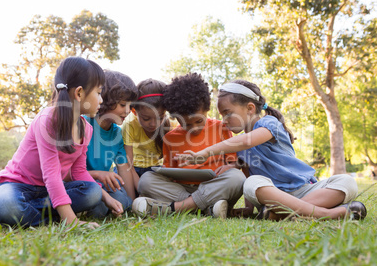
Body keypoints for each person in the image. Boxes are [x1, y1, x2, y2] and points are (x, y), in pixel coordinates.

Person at [176, 79, 367, 220]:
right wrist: (248, 208)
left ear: (250, 108)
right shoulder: (241, 147)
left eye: (227, 113)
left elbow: (246, 141)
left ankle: (286, 214)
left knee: (346, 181)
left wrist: (206, 152)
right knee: (251, 183)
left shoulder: (269, 123)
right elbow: (249, 173)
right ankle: (325, 213)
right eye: (221, 115)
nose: (224, 120)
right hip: (273, 195)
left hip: (306, 190)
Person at [0, 57, 123, 228]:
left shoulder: (85, 129)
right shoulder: (47, 119)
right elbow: (51, 174)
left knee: (92, 192)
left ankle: (26, 216)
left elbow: (79, 172)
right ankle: (50, 216)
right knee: (7, 205)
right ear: (79, 93)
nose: (101, 99)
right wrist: (72, 221)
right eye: (98, 92)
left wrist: (106, 197)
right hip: (17, 187)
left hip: (49, 192)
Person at [132, 73, 246, 219]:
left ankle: (176, 208)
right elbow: (169, 172)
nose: (193, 128)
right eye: (186, 124)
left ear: (207, 109)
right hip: (184, 189)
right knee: (146, 180)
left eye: (199, 121)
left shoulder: (221, 128)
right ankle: (208, 208)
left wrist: (230, 167)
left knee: (236, 177)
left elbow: (233, 163)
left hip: (214, 185)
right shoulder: (170, 138)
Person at [83, 70, 138, 218]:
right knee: (94, 197)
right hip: (82, 182)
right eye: (122, 105)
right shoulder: (83, 123)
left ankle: (104, 207)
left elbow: (124, 168)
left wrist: (131, 204)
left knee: (122, 200)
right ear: (106, 99)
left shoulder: (116, 134)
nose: (127, 111)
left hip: (104, 186)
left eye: (130, 105)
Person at [121, 79, 176, 196]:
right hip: (133, 170)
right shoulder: (129, 124)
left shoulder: (168, 126)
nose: (153, 124)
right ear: (135, 111)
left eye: (160, 117)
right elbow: (128, 166)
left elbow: (170, 164)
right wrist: (141, 193)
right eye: (146, 118)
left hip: (154, 171)